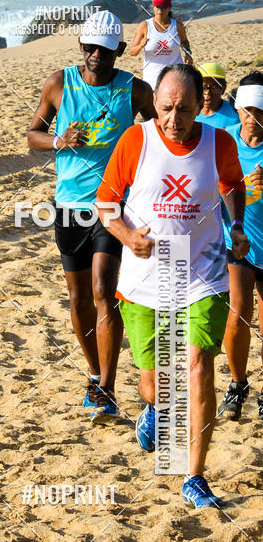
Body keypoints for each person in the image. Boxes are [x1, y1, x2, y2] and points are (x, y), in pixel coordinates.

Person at [96, 63, 248, 509]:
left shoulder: (218, 141)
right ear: (155, 105)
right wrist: (128, 237)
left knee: (199, 367)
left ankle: (195, 476)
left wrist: (235, 223)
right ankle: (155, 410)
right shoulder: (135, 140)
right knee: (156, 386)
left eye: (183, 109)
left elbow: (232, 183)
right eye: (165, 109)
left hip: (203, 271)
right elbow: (105, 202)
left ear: (201, 102)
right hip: (146, 279)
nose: (174, 119)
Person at [27, 10, 155, 423]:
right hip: (68, 205)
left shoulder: (135, 90)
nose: (97, 54)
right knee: (80, 298)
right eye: (91, 46)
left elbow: (160, 135)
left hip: (113, 205)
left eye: (106, 48)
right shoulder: (59, 83)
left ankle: (107, 389)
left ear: (120, 49)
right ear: (81, 46)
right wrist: (59, 140)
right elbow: (33, 136)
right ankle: (95, 373)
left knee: (103, 290)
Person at [218, 72, 263, 420]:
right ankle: (237, 384)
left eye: (260, 111)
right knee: (238, 312)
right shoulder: (224, 143)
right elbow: (208, 192)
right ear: (237, 110)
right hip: (239, 242)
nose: (253, 119)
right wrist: (244, 186)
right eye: (247, 110)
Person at [129, 0, 192, 92]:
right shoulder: (145, 26)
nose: (160, 10)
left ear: (169, 8)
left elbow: (184, 41)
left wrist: (188, 53)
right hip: (152, 79)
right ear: (153, 7)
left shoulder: (177, 26)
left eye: (163, 7)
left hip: (175, 76)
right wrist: (141, 45)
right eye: (157, 7)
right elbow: (132, 52)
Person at [195, 62, 239, 130]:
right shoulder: (188, 112)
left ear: (223, 89)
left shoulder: (236, 112)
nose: (207, 93)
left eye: (214, 88)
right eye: (203, 88)